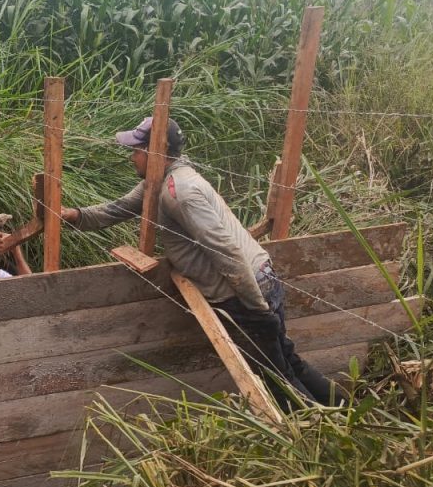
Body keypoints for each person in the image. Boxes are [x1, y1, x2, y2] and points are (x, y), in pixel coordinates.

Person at [60, 116, 335, 411]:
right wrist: (71, 215)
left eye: (137, 150)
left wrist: (257, 311)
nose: (132, 157)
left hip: (245, 291)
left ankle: (318, 435)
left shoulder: (181, 193)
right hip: (258, 278)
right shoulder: (162, 181)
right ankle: (346, 410)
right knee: (287, 364)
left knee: (277, 379)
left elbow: (225, 250)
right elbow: (117, 210)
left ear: (157, 153)